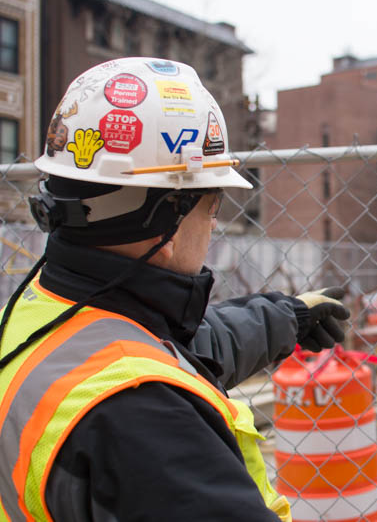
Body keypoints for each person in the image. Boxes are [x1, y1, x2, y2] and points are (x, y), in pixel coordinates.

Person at [0, 58, 350, 521]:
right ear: (166, 222)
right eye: (212, 204)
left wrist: (286, 317)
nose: (214, 223)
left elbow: (181, 348)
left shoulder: (37, 313)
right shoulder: (151, 423)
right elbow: (158, 370)